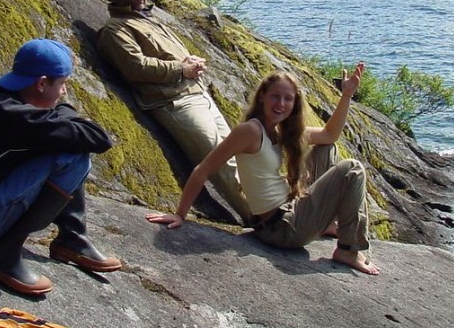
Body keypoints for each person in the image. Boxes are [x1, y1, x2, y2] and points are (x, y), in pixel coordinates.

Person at [0, 38, 122, 297]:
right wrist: (65, 111)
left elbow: (59, 127)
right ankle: (1, 254)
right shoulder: (17, 118)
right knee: (74, 156)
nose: (64, 93)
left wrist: (59, 112)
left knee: (62, 142)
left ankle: (72, 237)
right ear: (41, 83)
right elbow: (98, 138)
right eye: (62, 84)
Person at [146, 66, 380, 276]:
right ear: (262, 98)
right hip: (281, 228)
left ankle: (326, 223)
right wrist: (180, 214)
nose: (281, 104)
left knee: (326, 149)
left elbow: (330, 135)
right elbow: (204, 169)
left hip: (290, 212)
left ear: (295, 104)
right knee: (353, 169)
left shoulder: (278, 130)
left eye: (288, 99)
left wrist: (346, 95)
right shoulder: (250, 131)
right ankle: (348, 250)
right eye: (275, 97)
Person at [97, 0, 251, 223]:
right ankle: (262, 219)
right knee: (222, 162)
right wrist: (181, 68)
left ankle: (271, 210)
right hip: (175, 103)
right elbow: (136, 67)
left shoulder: (148, 19)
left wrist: (191, 62)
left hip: (198, 94)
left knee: (240, 157)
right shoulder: (116, 29)